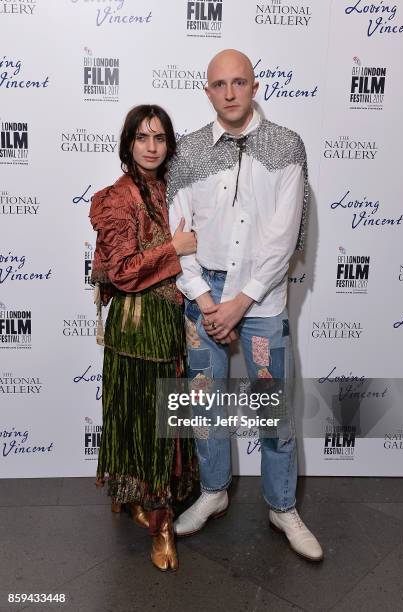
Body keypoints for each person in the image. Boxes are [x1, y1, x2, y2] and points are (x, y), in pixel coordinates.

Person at [168, 50, 323, 561]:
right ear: (207, 90)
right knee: (204, 406)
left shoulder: (285, 146)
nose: (230, 92)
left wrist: (240, 302)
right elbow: (179, 234)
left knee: (272, 411)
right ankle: (213, 493)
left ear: (255, 86)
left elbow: (282, 238)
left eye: (239, 82)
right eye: (220, 84)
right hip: (204, 296)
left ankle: (282, 506)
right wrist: (208, 300)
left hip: (260, 298)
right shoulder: (188, 151)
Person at [89, 104, 198, 572]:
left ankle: (149, 504)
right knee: (141, 421)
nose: (152, 147)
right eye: (142, 137)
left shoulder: (175, 189)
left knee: (162, 423)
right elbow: (123, 271)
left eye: (160, 138)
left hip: (168, 324)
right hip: (135, 328)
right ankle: (160, 526)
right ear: (128, 143)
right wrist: (174, 247)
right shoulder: (117, 197)